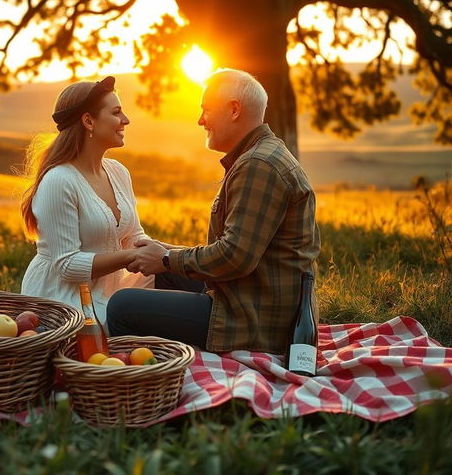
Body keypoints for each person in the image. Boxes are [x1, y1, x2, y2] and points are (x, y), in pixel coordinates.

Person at [107, 69, 321, 354]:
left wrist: (167, 258)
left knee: (123, 306)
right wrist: (164, 253)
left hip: (256, 320)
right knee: (166, 275)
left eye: (206, 110)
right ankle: (172, 347)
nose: (200, 121)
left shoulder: (259, 165)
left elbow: (234, 258)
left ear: (234, 110)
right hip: (251, 296)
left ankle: (143, 377)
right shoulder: (260, 154)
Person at [20, 76, 154, 325]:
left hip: (111, 289)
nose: (126, 120)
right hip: (66, 299)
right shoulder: (59, 180)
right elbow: (67, 265)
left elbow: (134, 237)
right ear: (89, 121)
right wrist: (130, 258)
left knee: (178, 284)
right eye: (116, 112)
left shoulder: (117, 172)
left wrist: (177, 254)